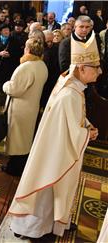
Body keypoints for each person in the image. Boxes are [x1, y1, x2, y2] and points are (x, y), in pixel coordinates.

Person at [8, 31, 101, 239]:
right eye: (95, 67)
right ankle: (36, 229)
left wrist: (85, 125)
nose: (100, 71)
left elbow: (72, 119)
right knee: (48, 190)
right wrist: (88, 134)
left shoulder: (69, 84)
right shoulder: (70, 94)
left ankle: (52, 224)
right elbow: (71, 130)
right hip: (56, 153)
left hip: (53, 148)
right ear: (82, 68)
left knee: (50, 190)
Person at [1, 38, 48, 176]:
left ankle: (14, 168)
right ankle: (19, 165)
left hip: (20, 109)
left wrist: (6, 84)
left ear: (27, 50)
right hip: (31, 107)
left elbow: (15, 89)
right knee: (25, 139)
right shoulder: (41, 65)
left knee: (18, 140)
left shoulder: (26, 67)